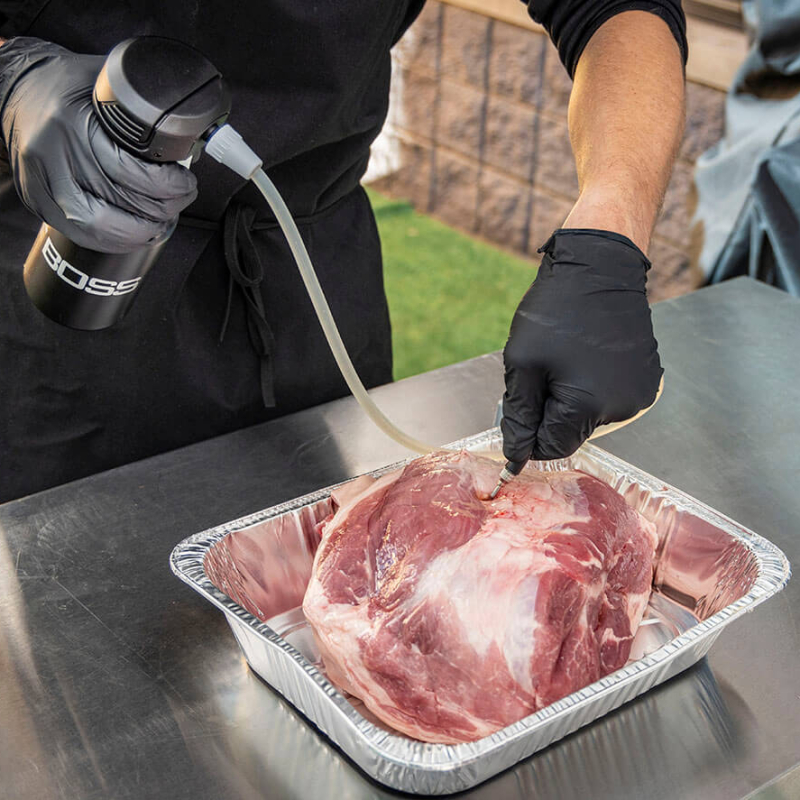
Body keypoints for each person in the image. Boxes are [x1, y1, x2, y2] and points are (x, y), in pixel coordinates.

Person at [0, 1, 686, 504]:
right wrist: (14, 77)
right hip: (69, 249)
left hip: (311, 273)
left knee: (342, 584)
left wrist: (608, 234)